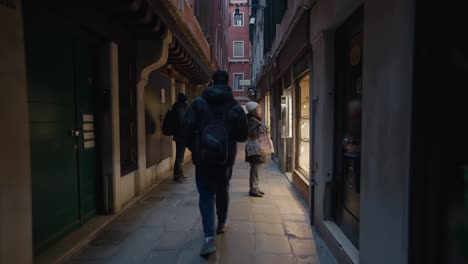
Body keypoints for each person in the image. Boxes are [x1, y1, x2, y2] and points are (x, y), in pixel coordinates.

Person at [182, 70, 248, 257]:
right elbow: (243, 136)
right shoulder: (235, 107)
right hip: (225, 160)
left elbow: (185, 131)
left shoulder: (198, 103)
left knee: (205, 195)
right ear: (227, 82)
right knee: (222, 189)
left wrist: (197, 149)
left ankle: (209, 239)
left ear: (211, 82)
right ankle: (222, 222)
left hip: (203, 160)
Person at [245, 101, 270, 197]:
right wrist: (263, 128)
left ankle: (256, 187)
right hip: (254, 149)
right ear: (254, 110)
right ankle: (253, 189)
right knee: (255, 169)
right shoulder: (252, 120)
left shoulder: (254, 119)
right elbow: (251, 133)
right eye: (259, 108)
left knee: (257, 169)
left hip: (255, 148)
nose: (260, 110)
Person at [172, 93, 191, 183]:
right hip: (181, 136)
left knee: (179, 157)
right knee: (179, 157)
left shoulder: (178, 107)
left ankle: (180, 175)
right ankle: (178, 176)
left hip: (179, 135)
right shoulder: (180, 108)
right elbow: (182, 122)